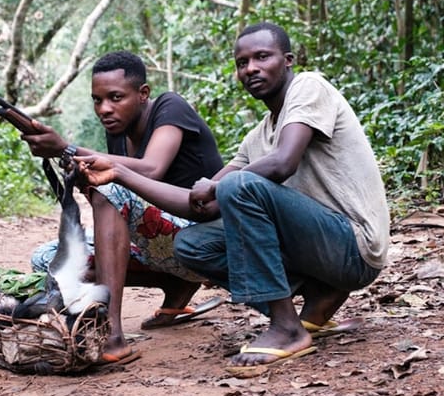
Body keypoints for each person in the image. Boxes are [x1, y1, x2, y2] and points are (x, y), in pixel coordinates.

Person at [74, 22, 389, 374]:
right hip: (320, 253)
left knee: (239, 185)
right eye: (242, 62)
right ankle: (318, 296)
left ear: (288, 60)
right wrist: (120, 175)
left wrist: (218, 185)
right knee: (192, 244)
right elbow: (200, 205)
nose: (250, 68)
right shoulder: (256, 138)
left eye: (261, 57)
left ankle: (287, 329)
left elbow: (283, 162)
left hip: (355, 246)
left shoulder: (308, 87)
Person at [21, 50, 224, 363]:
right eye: (97, 100)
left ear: (143, 94)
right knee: (48, 259)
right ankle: (176, 287)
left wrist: (66, 148)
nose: (105, 109)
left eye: (115, 97)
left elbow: (152, 168)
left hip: (203, 243)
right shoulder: (116, 132)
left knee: (114, 188)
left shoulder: (171, 108)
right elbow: (114, 210)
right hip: (163, 248)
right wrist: (81, 175)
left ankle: (112, 334)